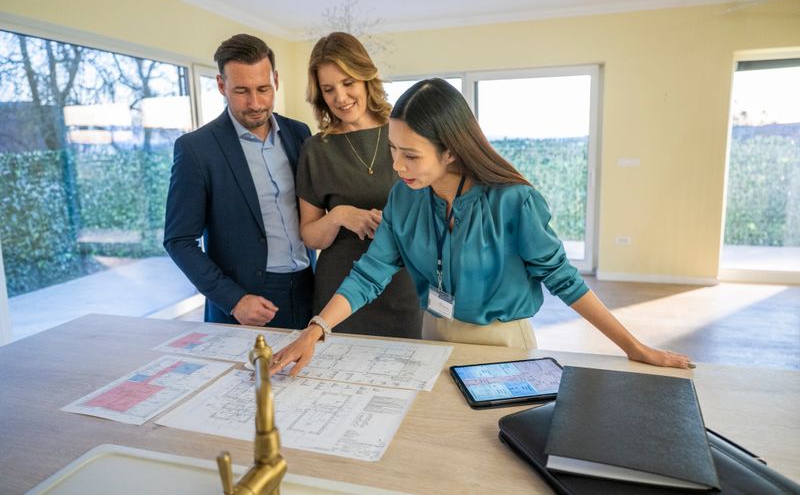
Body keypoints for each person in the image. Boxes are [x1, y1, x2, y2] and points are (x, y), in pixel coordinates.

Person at [271, 77, 694, 375]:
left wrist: (634, 348)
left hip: (502, 342)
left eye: (412, 156)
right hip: (433, 331)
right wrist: (316, 330)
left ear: (451, 151)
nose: (398, 167)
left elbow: (565, 280)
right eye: (394, 152)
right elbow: (370, 273)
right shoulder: (404, 197)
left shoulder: (514, 201)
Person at [164, 34, 315, 329]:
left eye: (263, 89)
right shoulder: (196, 149)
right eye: (242, 91)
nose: (255, 103)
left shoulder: (300, 133)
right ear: (221, 85)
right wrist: (233, 299)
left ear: (276, 80)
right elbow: (179, 240)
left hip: (308, 288)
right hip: (244, 304)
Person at [295, 32, 423, 339]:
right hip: (338, 293)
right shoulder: (315, 149)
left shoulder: (406, 130)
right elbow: (310, 235)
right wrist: (338, 215)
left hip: (403, 284)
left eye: (348, 82)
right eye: (329, 89)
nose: (340, 97)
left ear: (367, 78)